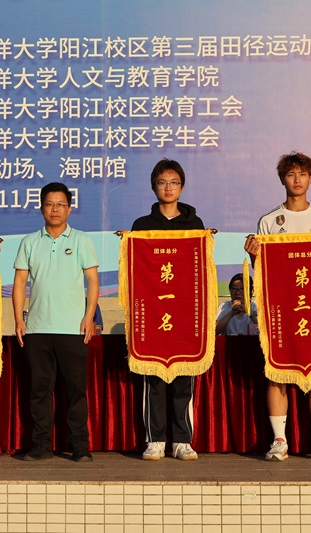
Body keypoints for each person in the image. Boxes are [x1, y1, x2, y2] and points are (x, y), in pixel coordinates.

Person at [244, 152, 311, 462]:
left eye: (302, 174)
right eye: (291, 174)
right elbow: (262, 271)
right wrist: (253, 255)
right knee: (277, 371)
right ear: (282, 179)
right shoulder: (269, 221)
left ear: (310, 178)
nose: (297, 180)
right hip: (281, 307)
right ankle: (279, 440)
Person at [12, 182, 99, 462]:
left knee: (76, 391)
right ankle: (40, 445)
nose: (55, 209)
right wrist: (19, 319)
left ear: (69, 209)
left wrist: (89, 316)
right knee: (39, 391)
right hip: (37, 328)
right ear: (41, 208)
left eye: (61, 204)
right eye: (49, 204)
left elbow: (93, 281)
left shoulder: (82, 240)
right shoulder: (29, 241)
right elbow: (20, 282)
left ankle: (80, 445)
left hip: (73, 329)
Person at [132, 158, 204, 461]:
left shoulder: (195, 225)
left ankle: (182, 441)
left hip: (184, 311)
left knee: (183, 375)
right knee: (154, 377)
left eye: (174, 182)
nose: (168, 188)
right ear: (154, 187)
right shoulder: (142, 226)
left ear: (182, 187)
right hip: (153, 311)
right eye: (162, 182)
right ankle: (156, 439)